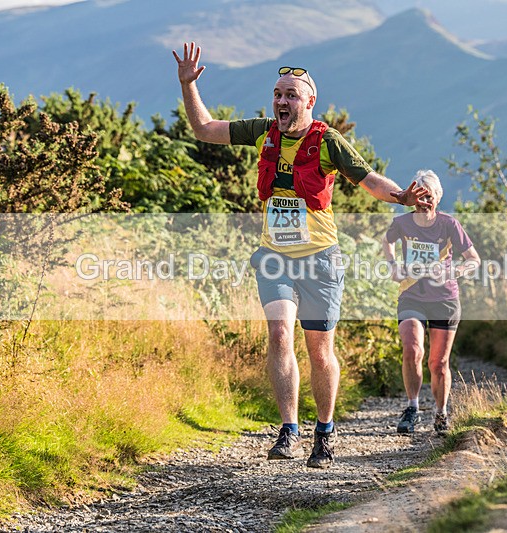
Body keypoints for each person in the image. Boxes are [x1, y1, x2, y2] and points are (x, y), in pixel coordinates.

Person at [172, 42, 430, 468]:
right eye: (277, 94)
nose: (281, 101)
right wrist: (187, 86)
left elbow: (369, 181)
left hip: (320, 260)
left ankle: (324, 432)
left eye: (291, 95)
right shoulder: (262, 131)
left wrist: (402, 195)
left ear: (309, 101)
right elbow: (204, 128)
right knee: (278, 334)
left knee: (319, 350)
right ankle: (289, 428)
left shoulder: (329, 142)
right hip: (274, 257)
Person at [381, 169, 480, 435]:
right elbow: (387, 241)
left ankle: (441, 413)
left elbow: (474, 260)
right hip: (411, 294)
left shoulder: (449, 224)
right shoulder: (403, 223)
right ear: (414, 198)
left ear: (438, 197)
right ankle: (412, 408)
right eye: (420, 196)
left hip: (445, 299)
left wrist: (454, 271)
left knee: (439, 363)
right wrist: (393, 266)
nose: (424, 201)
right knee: (413, 350)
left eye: (430, 196)